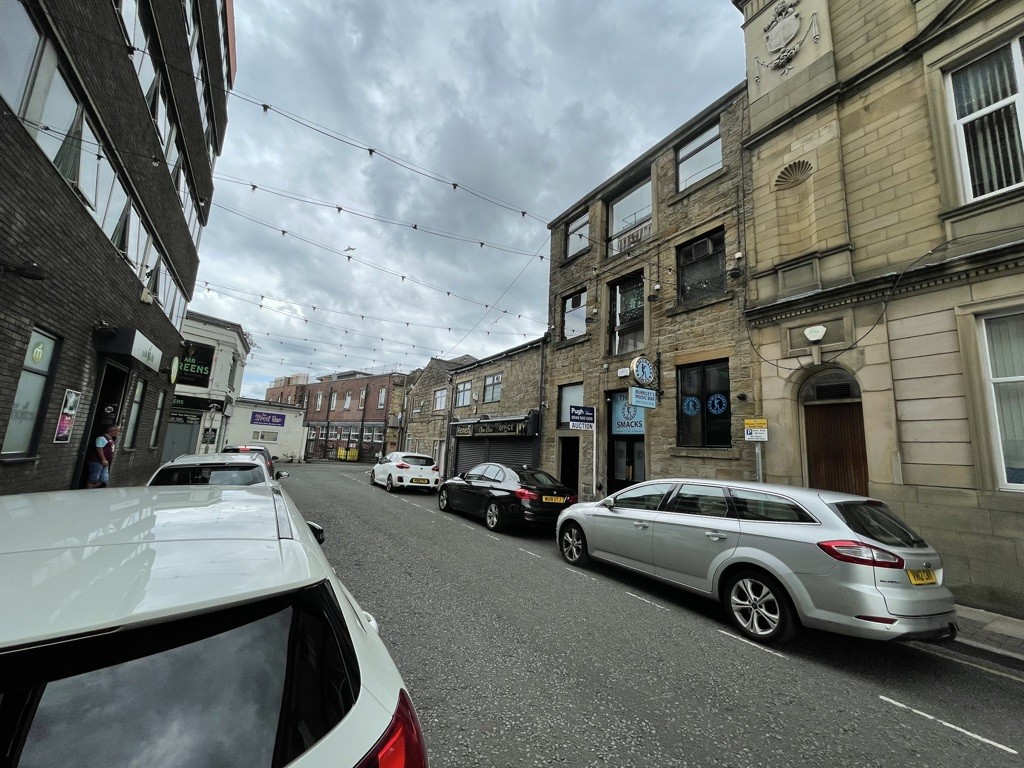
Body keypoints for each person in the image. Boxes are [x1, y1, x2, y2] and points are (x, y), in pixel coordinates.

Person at [86, 424, 120, 488]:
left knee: (104, 479)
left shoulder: (111, 439)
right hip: (97, 461)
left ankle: (92, 490)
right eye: (118, 431)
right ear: (112, 431)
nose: (118, 432)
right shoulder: (102, 438)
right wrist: (103, 459)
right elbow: (99, 448)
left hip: (105, 463)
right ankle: (88, 491)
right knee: (93, 479)